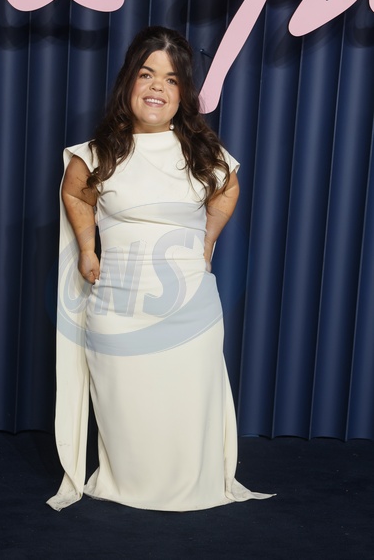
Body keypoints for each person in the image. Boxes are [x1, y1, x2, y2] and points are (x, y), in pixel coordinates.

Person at [47, 26, 272, 511]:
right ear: (129, 81)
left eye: (171, 80)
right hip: (117, 308)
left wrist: (207, 240)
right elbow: (75, 193)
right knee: (128, 408)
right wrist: (87, 248)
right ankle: (130, 485)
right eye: (147, 74)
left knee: (185, 407)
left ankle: (191, 486)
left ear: (183, 93)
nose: (157, 87)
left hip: (190, 311)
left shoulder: (203, 153)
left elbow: (228, 188)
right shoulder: (96, 153)